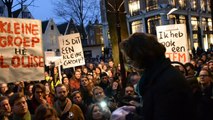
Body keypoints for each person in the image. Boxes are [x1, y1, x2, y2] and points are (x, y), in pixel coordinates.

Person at [119, 32, 196, 120]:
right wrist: (138, 110)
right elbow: (155, 110)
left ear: (140, 57)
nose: (132, 68)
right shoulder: (159, 76)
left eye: (131, 61)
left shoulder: (165, 82)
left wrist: (129, 118)